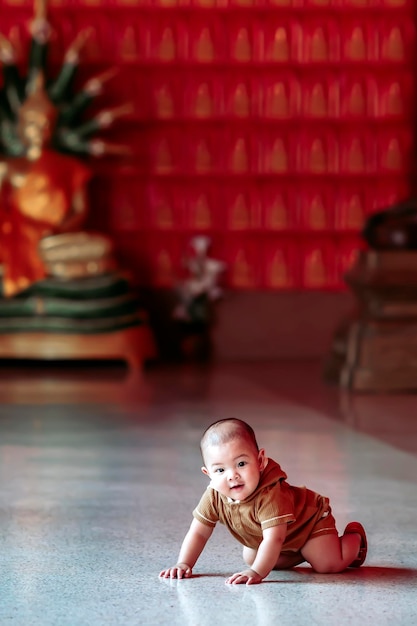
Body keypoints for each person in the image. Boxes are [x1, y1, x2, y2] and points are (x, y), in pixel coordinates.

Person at [159, 418, 367, 585]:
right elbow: (198, 532)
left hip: (309, 523)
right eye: (220, 470)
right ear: (208, 474)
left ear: (260, 461)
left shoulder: (270, 494)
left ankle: (353, 537)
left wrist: (256, 572)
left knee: (327, 565)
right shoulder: (214, 495)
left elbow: (274, 539)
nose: (232, 475)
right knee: (251, 555)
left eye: (241, 463)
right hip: (281, 538)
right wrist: (184, 563)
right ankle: (304, 551)